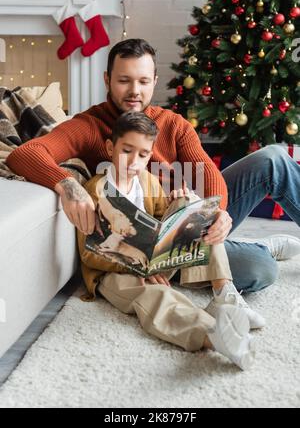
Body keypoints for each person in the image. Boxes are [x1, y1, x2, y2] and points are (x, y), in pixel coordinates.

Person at [6, 38, 300, 294]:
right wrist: (68, 185)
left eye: (143, 81)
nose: (134, 90)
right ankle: (262, 248)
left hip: (188, 216)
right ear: (107, 80)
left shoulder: (173, 124)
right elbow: (25, 154)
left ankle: (228, 241)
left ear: (155, 81)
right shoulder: (88, 125)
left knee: (273, 158)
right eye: (124, 81)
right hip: (150, 242)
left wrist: (219, 211)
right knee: (259, 268)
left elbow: (207, 172)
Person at [77, 111, 256, 370]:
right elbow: (88, 253)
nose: (133, 161)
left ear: (150, 155)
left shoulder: (148, 182)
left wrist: (179, 206)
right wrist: (136, 265)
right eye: (127, 150)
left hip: (156, 260)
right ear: (110, 147)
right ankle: (213, 334)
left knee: (191, 203)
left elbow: (162, 221)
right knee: (154, 295)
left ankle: (223, 294)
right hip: (114, 271)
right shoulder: (96, 191)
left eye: (143, 154)